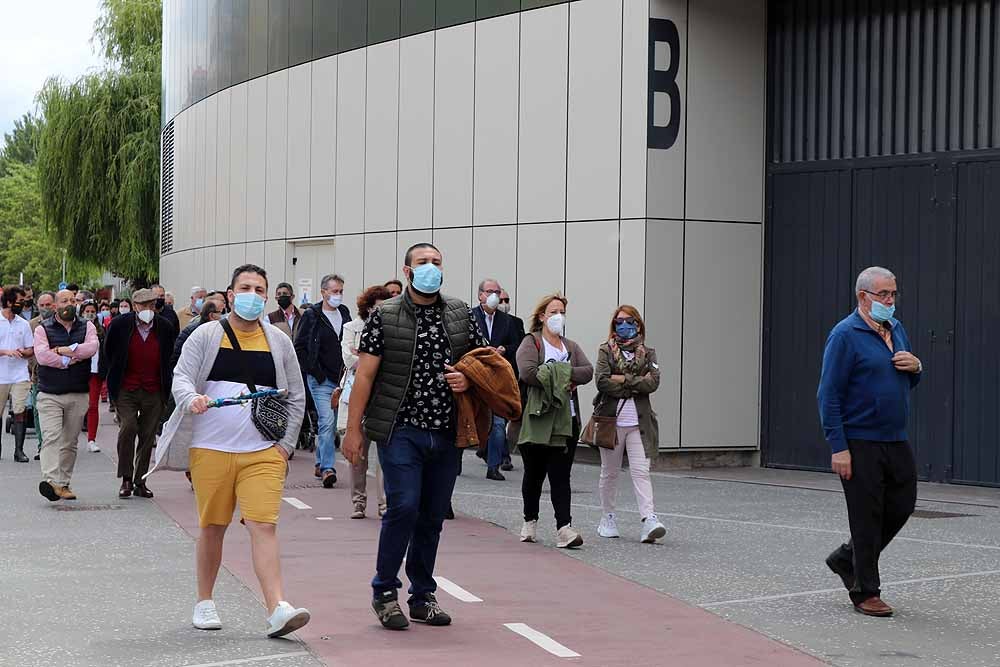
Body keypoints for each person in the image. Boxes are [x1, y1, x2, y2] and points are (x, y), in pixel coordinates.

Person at [150, 264, 309, 638]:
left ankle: (277, 608)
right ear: (231, 294)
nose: (253, 294)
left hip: (263, 452)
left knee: (264, 525)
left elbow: (296, 395)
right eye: (245, 287)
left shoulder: (279, 342)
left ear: (267, 296)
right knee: (213, 527)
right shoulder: (205, 335)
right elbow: (182, 377)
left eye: (259, 289)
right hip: (211, 449)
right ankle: (204, 601)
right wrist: (191, 399)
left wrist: (284, 447)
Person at [343, 243, 487, 631]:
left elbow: (479, 365)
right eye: (422, 263)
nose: (431, 268)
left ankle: (422, 595)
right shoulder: (385, 316)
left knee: (431, 516)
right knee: (403, 506)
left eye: (436, 262)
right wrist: (353, 430)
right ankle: (385, 591)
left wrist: (467, 377)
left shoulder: (459, 313)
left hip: (446, 430)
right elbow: (365, 377)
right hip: (399, 428)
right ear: (407, 271)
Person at [818, 266, 922, 618]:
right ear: (864, 297)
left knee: (902, 503)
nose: (890, 300)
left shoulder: (896, 329)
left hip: (894, 437)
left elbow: (904, 381)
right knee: (866, 515)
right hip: (859, 440)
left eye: (893, 293)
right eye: (883, 295)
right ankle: (865, 591)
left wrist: (916, 367)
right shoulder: (845, 335)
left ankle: (847, 559)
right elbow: (828, 394)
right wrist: (839, 447)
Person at [516, 293, 593, 549]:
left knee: (561, 476)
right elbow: (527, 372)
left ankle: (564, 528)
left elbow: (587, 371)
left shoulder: (570, 346)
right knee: (534, 475)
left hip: (566, 421)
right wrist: (562, 376)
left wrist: (554, 371)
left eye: (562, 311)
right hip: (537, 420)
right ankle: (530, 520)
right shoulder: (532, 342)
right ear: (542, 316)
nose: (558, 316)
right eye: (553, 312)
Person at [593, 305, 667, 543]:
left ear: (638, 324)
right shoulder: (606, 350)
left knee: (641, 471)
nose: (624, 325)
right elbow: (602, 381)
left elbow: (653, 383)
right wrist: (636, 381)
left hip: (639, 422)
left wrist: (622, 379)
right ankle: (608, 518)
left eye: (629, 321)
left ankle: (649, 519)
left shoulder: (649, 353)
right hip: (612, 421)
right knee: (610, 473)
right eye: (619, 322)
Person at [104, 288, 179, 499]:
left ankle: (140, 480)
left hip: (154, 389)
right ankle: (126, 478)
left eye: (151, 305)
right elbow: (108, 352)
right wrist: (113, 380)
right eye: (142, 305)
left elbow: (169, 355)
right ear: (134, 306)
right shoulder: (120, 324)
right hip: (126, 387)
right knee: (128, 428)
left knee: (148, 435)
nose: (147, 309)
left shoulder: (164, 326)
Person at [34, 289, 99, 501]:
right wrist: (67, 360)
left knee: (70, 441)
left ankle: (63, 483)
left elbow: (91, 348)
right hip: (50, 393)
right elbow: (43, 356)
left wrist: (62, 350)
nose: (69, 304)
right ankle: (51, 481)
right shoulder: (43, 329)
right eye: (64, 301)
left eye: (72, 300)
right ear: (55, 305)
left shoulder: (87, 325)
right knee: (51, 437)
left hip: (78, 392)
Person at [294, 274, 351, 488]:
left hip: (341, 379)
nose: (338, 295)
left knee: (332, 424)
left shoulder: (344, 313)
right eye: (335, 291)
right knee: (326, 422)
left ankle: (319, 461)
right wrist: (314, 372)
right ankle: (328, 468)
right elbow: (300, 346)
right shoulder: (312, 315)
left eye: (341, 291)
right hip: (320, 379)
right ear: (324, 292)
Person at [341, 284, 390, 519]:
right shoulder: (351, 327)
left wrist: (365, 356)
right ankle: (358, 501)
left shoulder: (392, 329)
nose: (383, 312)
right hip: (357, 395)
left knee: (385, 456)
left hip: (382, 398)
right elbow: (350, 359)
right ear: (368, 308)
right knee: (358, 454)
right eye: (379, 308)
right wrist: (367, 360)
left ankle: (384, 503)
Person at [471, 279, 524, 481]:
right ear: (480, 295)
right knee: (467, 419)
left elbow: (517, 345)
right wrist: (483, 351)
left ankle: (493, 466)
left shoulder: (507, 321)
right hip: (475, 377)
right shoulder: (470, 317)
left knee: (499, 424)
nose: (494, 295)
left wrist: (503, 350)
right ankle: (457, 462)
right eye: (489, 291)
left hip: (498, 379)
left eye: (497, 291)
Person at [0, 286, 36, 462]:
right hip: (1, 375)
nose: (22, 305)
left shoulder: (24, 324)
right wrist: (5, 352)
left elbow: (31, 349)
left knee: (20, 411)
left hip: (20, 375)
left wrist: (24, 352)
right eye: (19, 301)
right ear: (8, 302)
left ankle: (19, 451)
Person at [28, 291, 56, 460]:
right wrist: (32, 368)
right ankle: (42, 446)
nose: (45, 308)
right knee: (39, 412)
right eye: (42, 305)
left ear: (54, 305)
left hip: (58, 375)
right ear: (37, 306)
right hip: (38, 375)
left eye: (48, 305)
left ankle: (57, 446)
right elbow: (29, 350)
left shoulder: (62, 322)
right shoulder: (31, 325)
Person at [499, 289, 523, 471]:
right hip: (492, 376)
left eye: (507, 300)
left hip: (512, 375)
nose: (504, 303)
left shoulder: (516, 322)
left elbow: (520, 346)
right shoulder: (482, 321)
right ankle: (491, 450)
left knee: (507, 418)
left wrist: (505, 349)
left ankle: (504, 454)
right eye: (501, 300)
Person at [80, 301, 106, 453]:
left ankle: (91, 439)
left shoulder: (101, 331)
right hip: (79, 372)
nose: (90, 313)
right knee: (75, 406)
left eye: (92, 311)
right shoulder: (77, 329)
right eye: (87, 311)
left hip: (95, 372)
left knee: (93, 406)